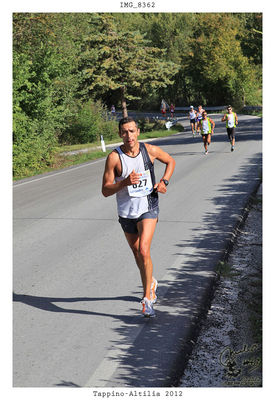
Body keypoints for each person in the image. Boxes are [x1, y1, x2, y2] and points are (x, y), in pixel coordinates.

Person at [102, 117, 176, 317]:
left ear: (138, 132)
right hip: (126, 212)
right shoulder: (114, 158)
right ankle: (150, 280)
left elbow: (170, 161)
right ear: (120, 134)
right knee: (137, 254)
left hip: (148, 207)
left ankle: (147, 299)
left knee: (144, 250)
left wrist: (164, 182)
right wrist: (124, 182)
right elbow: (105, 190)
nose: (129, 136)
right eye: (125, 132)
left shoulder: (149, 150)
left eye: (132, 131)